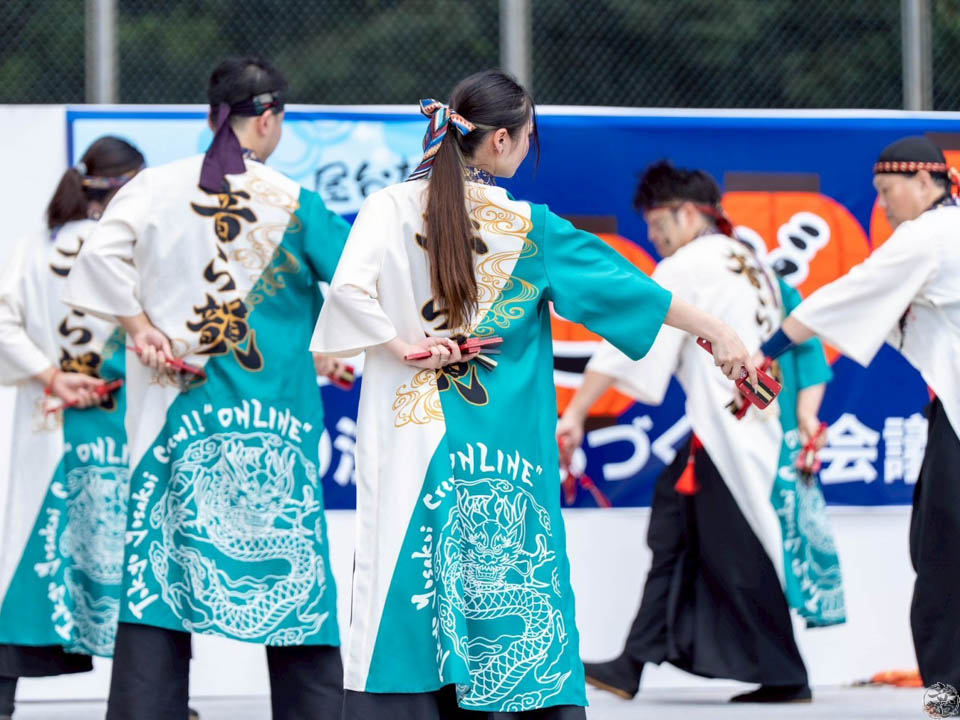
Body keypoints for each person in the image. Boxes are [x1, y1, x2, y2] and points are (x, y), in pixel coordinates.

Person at [309, 70, 756, 719]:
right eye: (527, 137)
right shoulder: (529, 227)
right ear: (500, 141)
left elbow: (348, 293)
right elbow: (631, 291)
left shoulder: (387, 206)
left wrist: (402, 346)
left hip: (408, 446)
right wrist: (719, 332)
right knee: (513, 592)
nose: (526, 149)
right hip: (502, 454)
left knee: (405, 586)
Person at [62, 57, 350, 720]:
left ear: (212, 114)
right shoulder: (293, 202)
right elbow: (362, 280)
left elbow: (97, 260)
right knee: (297, 591)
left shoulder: (154, 188)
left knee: (156, 579)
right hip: (272, 433)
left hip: (173, 417)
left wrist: (139, 327)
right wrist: (333, 349)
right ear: (269, 118)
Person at [558, 162, 843, 704]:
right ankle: (632, 661)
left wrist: (575, 413)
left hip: (725, 434)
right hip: (746, 430)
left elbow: (630, 340)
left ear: (687, 213)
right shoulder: (751, 261)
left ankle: (785, 672)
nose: (654, 237)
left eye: (657, 224)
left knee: (735, 550)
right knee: (675, 533)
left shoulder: (688, 264)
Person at [761, 135, 960, 691]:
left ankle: (949, 692)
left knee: (941, 553)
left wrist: (765, 350)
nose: (883, 204)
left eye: (887, 190)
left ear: (923, 181)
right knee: (937, 544)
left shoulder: (929, 235)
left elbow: (847, 295)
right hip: (948, 412)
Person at [0, 138, 144, 719]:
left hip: (53, 424)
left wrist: (51, 376)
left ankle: (3, 698)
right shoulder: (129, 250)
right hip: (123, 425)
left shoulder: (36, 248)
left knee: (32, 560)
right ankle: (152, 702)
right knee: (140, 565)